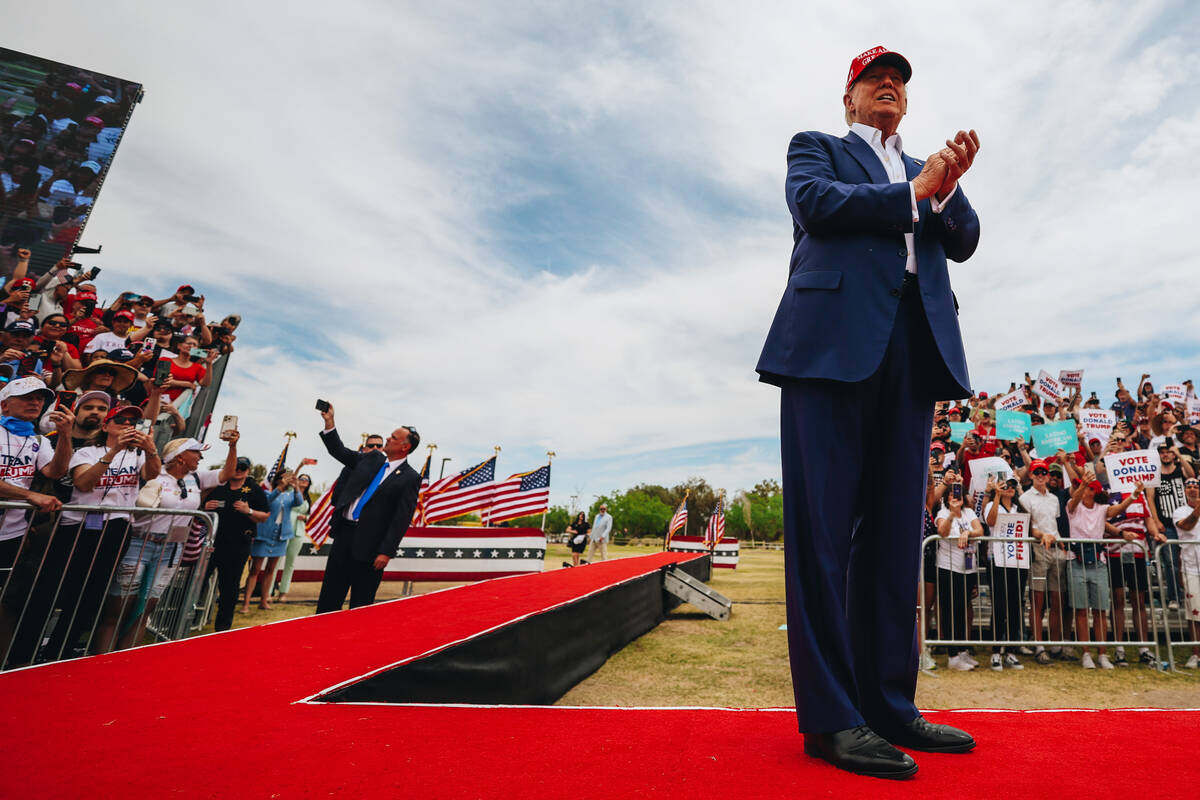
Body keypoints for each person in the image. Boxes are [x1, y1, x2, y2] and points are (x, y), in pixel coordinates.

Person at [754, 46, 980, 777]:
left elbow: (966, 241)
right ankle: (830, 718)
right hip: (829, 352)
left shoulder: (928, 171)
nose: (890, 85)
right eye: (874, 78)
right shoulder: (816, 149)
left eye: (900, 81)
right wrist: (915, 190)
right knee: (821, 537)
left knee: (889, 540)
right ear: (849, 99)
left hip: (912, 351)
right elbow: (816, 206)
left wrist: (943, 190)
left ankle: (888, 704)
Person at [92, 436, 233, 653]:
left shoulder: (197, 477)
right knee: (119, 606)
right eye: (196, 452)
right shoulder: (154, 473)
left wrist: (233, 446)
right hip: (140, 542)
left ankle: (124, 662)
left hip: (172, 549)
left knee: (147, 607)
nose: (201, 457)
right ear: (180, 457)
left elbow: (227, 474)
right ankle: (100, 661)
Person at [314, 402, 420, 613]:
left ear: (404, 447)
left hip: (371, 550)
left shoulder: (410, 478)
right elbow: (339, 451)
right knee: (329, 600)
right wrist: (329, 423)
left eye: (394, 438)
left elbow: (401, 518)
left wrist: (386, 552)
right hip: (344, 535)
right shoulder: (370, 459)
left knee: (360, 605)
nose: (387, 439)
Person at [203, 449, 269, 632]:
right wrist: (205, 506)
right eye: (236, 466)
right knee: (199, 582)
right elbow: (199, 503)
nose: (238, 470)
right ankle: (188, 620)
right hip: (211, 543)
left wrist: (248, 511)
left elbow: (265, 515)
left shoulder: (253, 489)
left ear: (248, 470)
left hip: (238, 544)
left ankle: (222, 628)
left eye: (243, 468)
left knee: (229, 588)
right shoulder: (218, 485)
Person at [1065, 476, 1119, 670]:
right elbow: (1072, 503)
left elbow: (1116, 510)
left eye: (1090, 488)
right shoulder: (1073, 507)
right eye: (1086, 488)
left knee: (1100, 611)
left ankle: (1102, 654)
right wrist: (1081, 485)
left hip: (1098, 562)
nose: (1088, 491)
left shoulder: (1102, 510)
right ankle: (1086, 653)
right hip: (1076, 561)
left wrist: (1134, 496)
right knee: (1081, 610)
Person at [1020, 459, 1070, 664]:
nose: (1041, 475)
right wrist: (1042, 535)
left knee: (1057, 598)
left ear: (1048, 476)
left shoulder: (1054, 499)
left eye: (1044, 472)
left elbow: (1054, 522)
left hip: (1055, 547)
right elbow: (1027, 526)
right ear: (1031, 475)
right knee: (1037, 599)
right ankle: (1039, 645)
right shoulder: (1024, 498)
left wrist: (1057, 541)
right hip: (1038, 547)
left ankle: (1056, 644)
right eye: (1037, 472)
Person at [242, 470, 304, 613]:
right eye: (285, 478)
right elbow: (267, 502)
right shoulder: (267, 493)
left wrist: (296, 487)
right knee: (255, 569)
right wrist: (279, 488)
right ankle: (246, 603)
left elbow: (299, 502)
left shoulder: (290, 496)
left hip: (281, 536)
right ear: (278, 479)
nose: (287, 480)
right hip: (264, 534)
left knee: (271, 570)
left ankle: (264, 600)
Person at [934, 485, 982, 671]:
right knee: (949, 611)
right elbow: (942, 532)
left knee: (962, 609)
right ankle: (952, 654)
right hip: (948, 566)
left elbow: (979, 530)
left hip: (967, 568)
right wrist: (952, 514)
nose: (956, 497)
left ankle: (962, 651)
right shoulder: (942, 512)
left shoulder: (969, 512)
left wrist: (968, 532)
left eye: (958, 494)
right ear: (946, 498)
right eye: (952, 495)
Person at [983, 477, 1027, 671]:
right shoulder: (993, 506)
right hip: (998, 562)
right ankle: (995, 651)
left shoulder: (1020, 509)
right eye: (1005, 486)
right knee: (999, 606)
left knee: (1015, 606)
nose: (1010, 489)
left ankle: (1010, 650)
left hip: (1017, 562)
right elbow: (990, 521)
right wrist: (997, 496)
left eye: (1012, 486)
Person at [1170, 478, 1200, 669]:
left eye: (1196, 486)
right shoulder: (1179, 511)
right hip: (1191, 567)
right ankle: (1195, 654)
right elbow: (1187, 525)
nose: (1192, 488)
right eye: (1189, 486)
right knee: (1195, 615)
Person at [273, 473, 313, 602]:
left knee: (290, 563)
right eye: (302, 478)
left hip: (299, 531)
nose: (304, 481)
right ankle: (268, 592)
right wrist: (301, 465)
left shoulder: (307, 498)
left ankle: (283, 592)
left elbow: (309, 515)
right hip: (285, 528)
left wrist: (305, 518)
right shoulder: (290, 492)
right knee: (276, 561)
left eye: (307, 480)